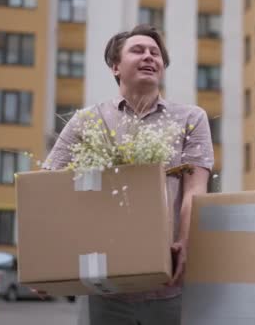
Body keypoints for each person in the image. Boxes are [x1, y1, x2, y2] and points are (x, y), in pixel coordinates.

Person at [43, 24, 214, 325]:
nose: (149, 57)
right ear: (115, 67)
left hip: (169, 284)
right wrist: (46, 259)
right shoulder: (88, 121)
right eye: (138, 50)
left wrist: (186, 243)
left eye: (155, 53)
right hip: (104, 288)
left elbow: (194, 191)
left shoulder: (191, 118)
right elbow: (48, 188)